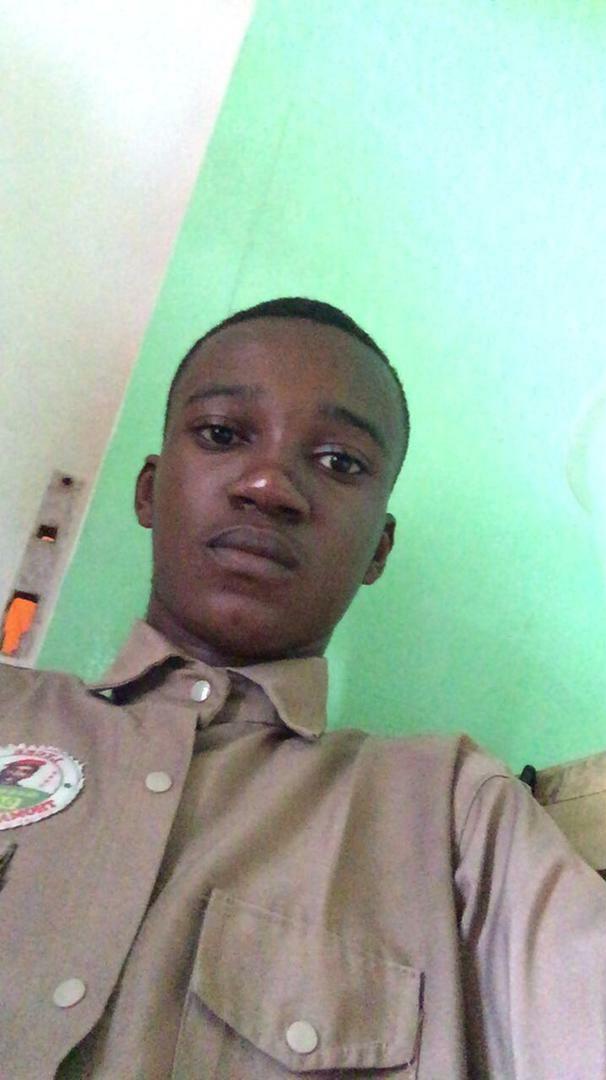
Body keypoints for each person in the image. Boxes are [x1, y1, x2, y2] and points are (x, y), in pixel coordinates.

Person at [1, 297, 605, 1079]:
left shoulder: (455, 811)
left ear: (379, 548)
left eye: (339, 462)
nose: (268, 485)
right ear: (149, 490)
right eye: (223, 434)